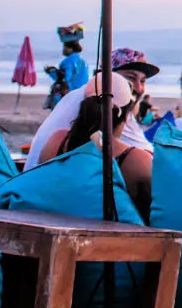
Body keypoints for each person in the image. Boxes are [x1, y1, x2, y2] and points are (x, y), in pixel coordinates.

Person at [38, 72, 152, 221]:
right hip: (112, 241)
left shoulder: (57, 141)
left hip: (58, 227)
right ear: (125, 116)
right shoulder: (136, 160)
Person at [25, 48, 160, 170]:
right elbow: (147, 157)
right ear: (108, 76)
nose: (138, 88)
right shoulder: (107, 104)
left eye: (142, 81)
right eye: (130, 78)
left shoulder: (78, 95)